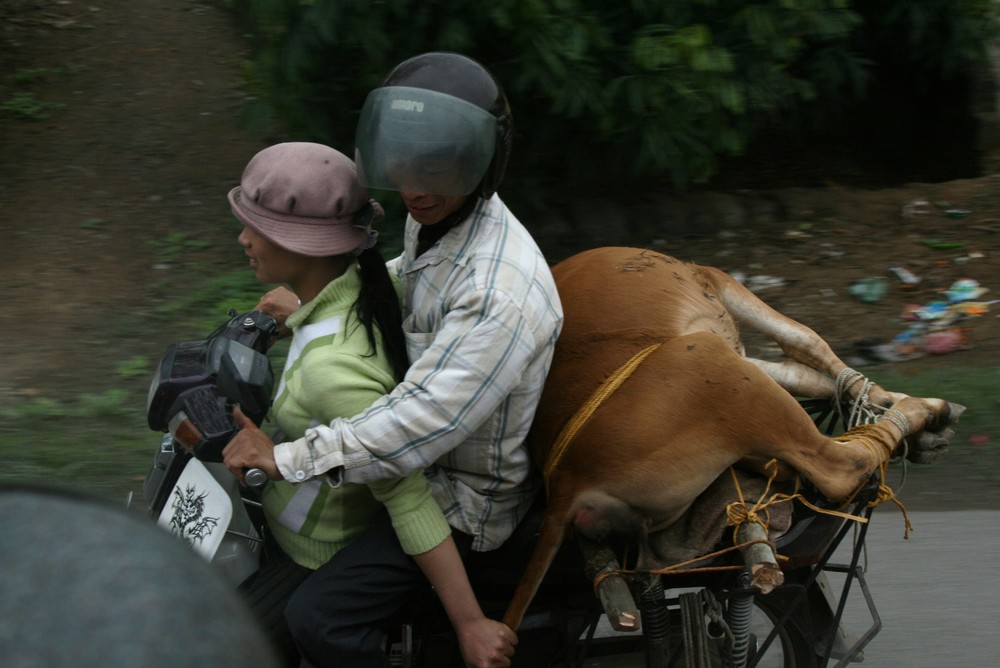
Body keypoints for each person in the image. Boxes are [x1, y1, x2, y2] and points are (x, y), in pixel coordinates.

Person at [223, 52, 563, 667]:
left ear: (483, 162)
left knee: (318, 620)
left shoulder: (499, 293)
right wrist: (309, 298)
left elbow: (421, 423)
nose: (414, 188)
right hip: (406, 455)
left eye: (438, 170)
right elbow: (410, 278)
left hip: (462, 496)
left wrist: (289, 459)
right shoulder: (439, 215)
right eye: (404, 166)